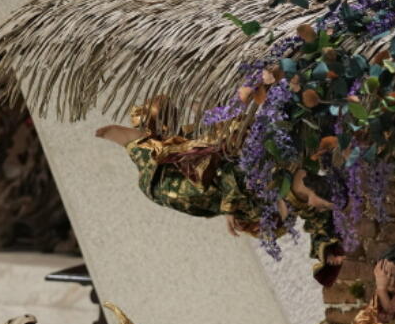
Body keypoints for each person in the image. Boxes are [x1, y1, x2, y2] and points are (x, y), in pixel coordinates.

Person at [94, 111, 345, 286]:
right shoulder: (278, 169)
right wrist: (229, 207)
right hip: (213, 180)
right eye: (319, 202)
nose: (317, 207)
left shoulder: (304, 199)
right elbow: (234, 171)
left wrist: (328, 249)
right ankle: (134, 141)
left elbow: (320, 221)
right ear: (313, 192)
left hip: (236, 203)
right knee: (171, 193)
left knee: (185, 199)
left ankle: (146, 142)